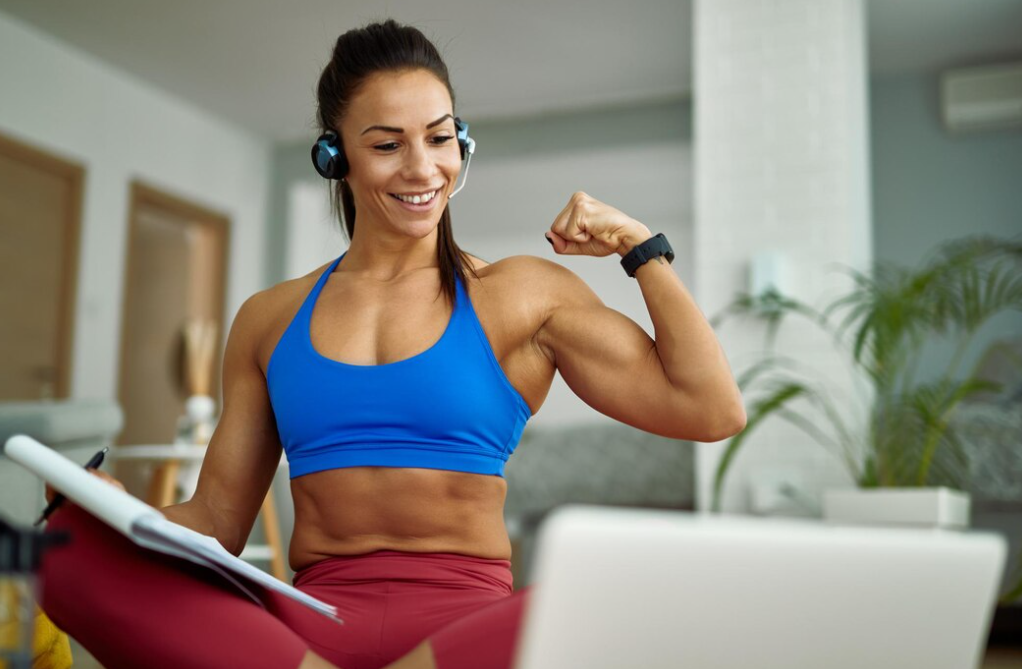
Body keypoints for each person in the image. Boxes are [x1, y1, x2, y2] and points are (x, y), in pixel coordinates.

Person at [38, 18, 746, 669]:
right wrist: (109, 508)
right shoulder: (268, 317)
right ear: (333, 156)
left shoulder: (522, 294)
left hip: (464, 633)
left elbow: (710, 410)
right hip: (306, 628)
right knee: (58, 553)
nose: (422, 169)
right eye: (387, 144)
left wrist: (640, 248)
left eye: (439, 137)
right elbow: (217, 522)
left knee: (628, 584)